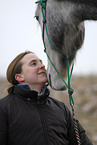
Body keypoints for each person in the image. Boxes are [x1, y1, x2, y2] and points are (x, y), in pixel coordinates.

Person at [0, 51, 93, 145]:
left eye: (41, 62)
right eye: (33, 64)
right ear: (19, 77)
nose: (42, 66)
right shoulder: (4, 108)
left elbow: (82, 141)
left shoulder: (61, 108)